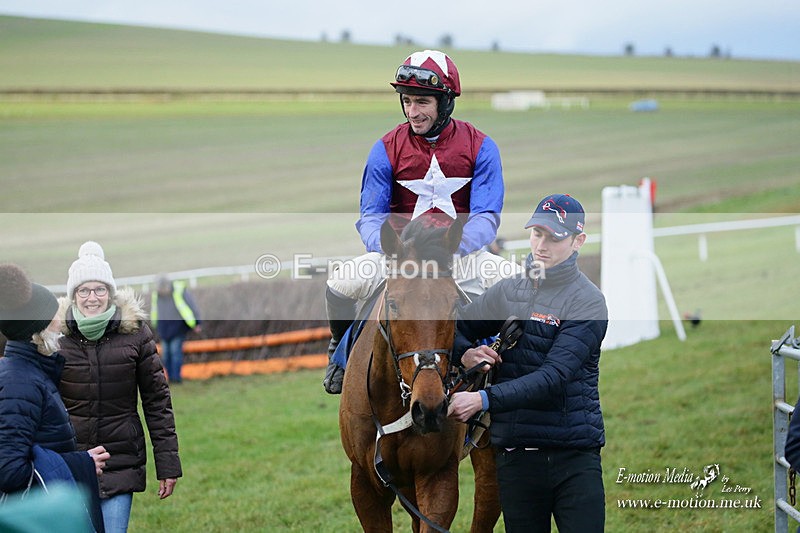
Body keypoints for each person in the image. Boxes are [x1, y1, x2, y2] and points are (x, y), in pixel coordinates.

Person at [323, 49, 521, 394]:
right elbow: (370, 216)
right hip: (401, 258)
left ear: (445, 103)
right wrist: (390, 248)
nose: (412, 112)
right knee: (340, 284)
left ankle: (513, 377)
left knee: (522, 288)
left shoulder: (481, 147)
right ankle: (340, 353)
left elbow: (487, 216)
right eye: (407, 101)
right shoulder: (384, 148)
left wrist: (455, 247)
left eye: (422, 102)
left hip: (461, 257)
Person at [447, 194, 608, 533]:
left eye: (554, 237)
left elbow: (554, 377)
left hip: (574, 457)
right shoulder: (509, 290)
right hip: (516, 458)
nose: (542, 245)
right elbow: (456, 327)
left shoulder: (589, 303)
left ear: (578, 240)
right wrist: (465, 353)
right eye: (537, 233)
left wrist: (482, 400)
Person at [57, 242, 182, 533]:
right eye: (83, 290)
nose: (92, 298)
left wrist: (168, 464)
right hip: (71, 466)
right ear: (74, 294)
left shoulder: (135, 334)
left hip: (120, 461)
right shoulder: (55, 339)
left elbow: (157, 401)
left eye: (99, 289)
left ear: (110, 292)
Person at [0, 263, 109, 533]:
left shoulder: (28, 374)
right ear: (39, 332)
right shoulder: (20, 383)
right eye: (53, 318)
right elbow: (10, 470)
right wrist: (81, 463)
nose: (60, 323)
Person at [150, 275, 202, 384]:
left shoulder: (179, 290)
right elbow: (155, 312)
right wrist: (155, 326)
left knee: (175, 353)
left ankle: (176, 378)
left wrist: (196, 323)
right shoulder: (157, 295)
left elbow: (191, 306)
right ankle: (170, 378)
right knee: (166, 355)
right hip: (164, 330)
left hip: (177, 329)